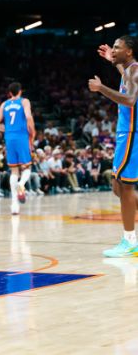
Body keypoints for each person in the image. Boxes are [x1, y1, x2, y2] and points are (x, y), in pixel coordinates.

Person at [89, 36, 138, 257]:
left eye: (118, 47)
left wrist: (101, 88)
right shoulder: (129, 70)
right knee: (117, 187)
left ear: (129, 51)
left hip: (131, 134)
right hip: (124, 134)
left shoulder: (135, 70)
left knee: (126, 187)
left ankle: (130, 241)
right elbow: (125, 76)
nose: (114, 49)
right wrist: (112, 60)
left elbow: (130, 100)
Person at [0, 82, 36, 215]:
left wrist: (8, 129)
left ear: (10, 93)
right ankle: (21, 184)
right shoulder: (24, 101)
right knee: (27, 167)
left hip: (9, 138)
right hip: (22, 136)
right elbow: (28, 117)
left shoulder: (4, 104)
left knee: (14, 170)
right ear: (20, 91)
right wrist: (32, 131)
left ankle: (14, 205)